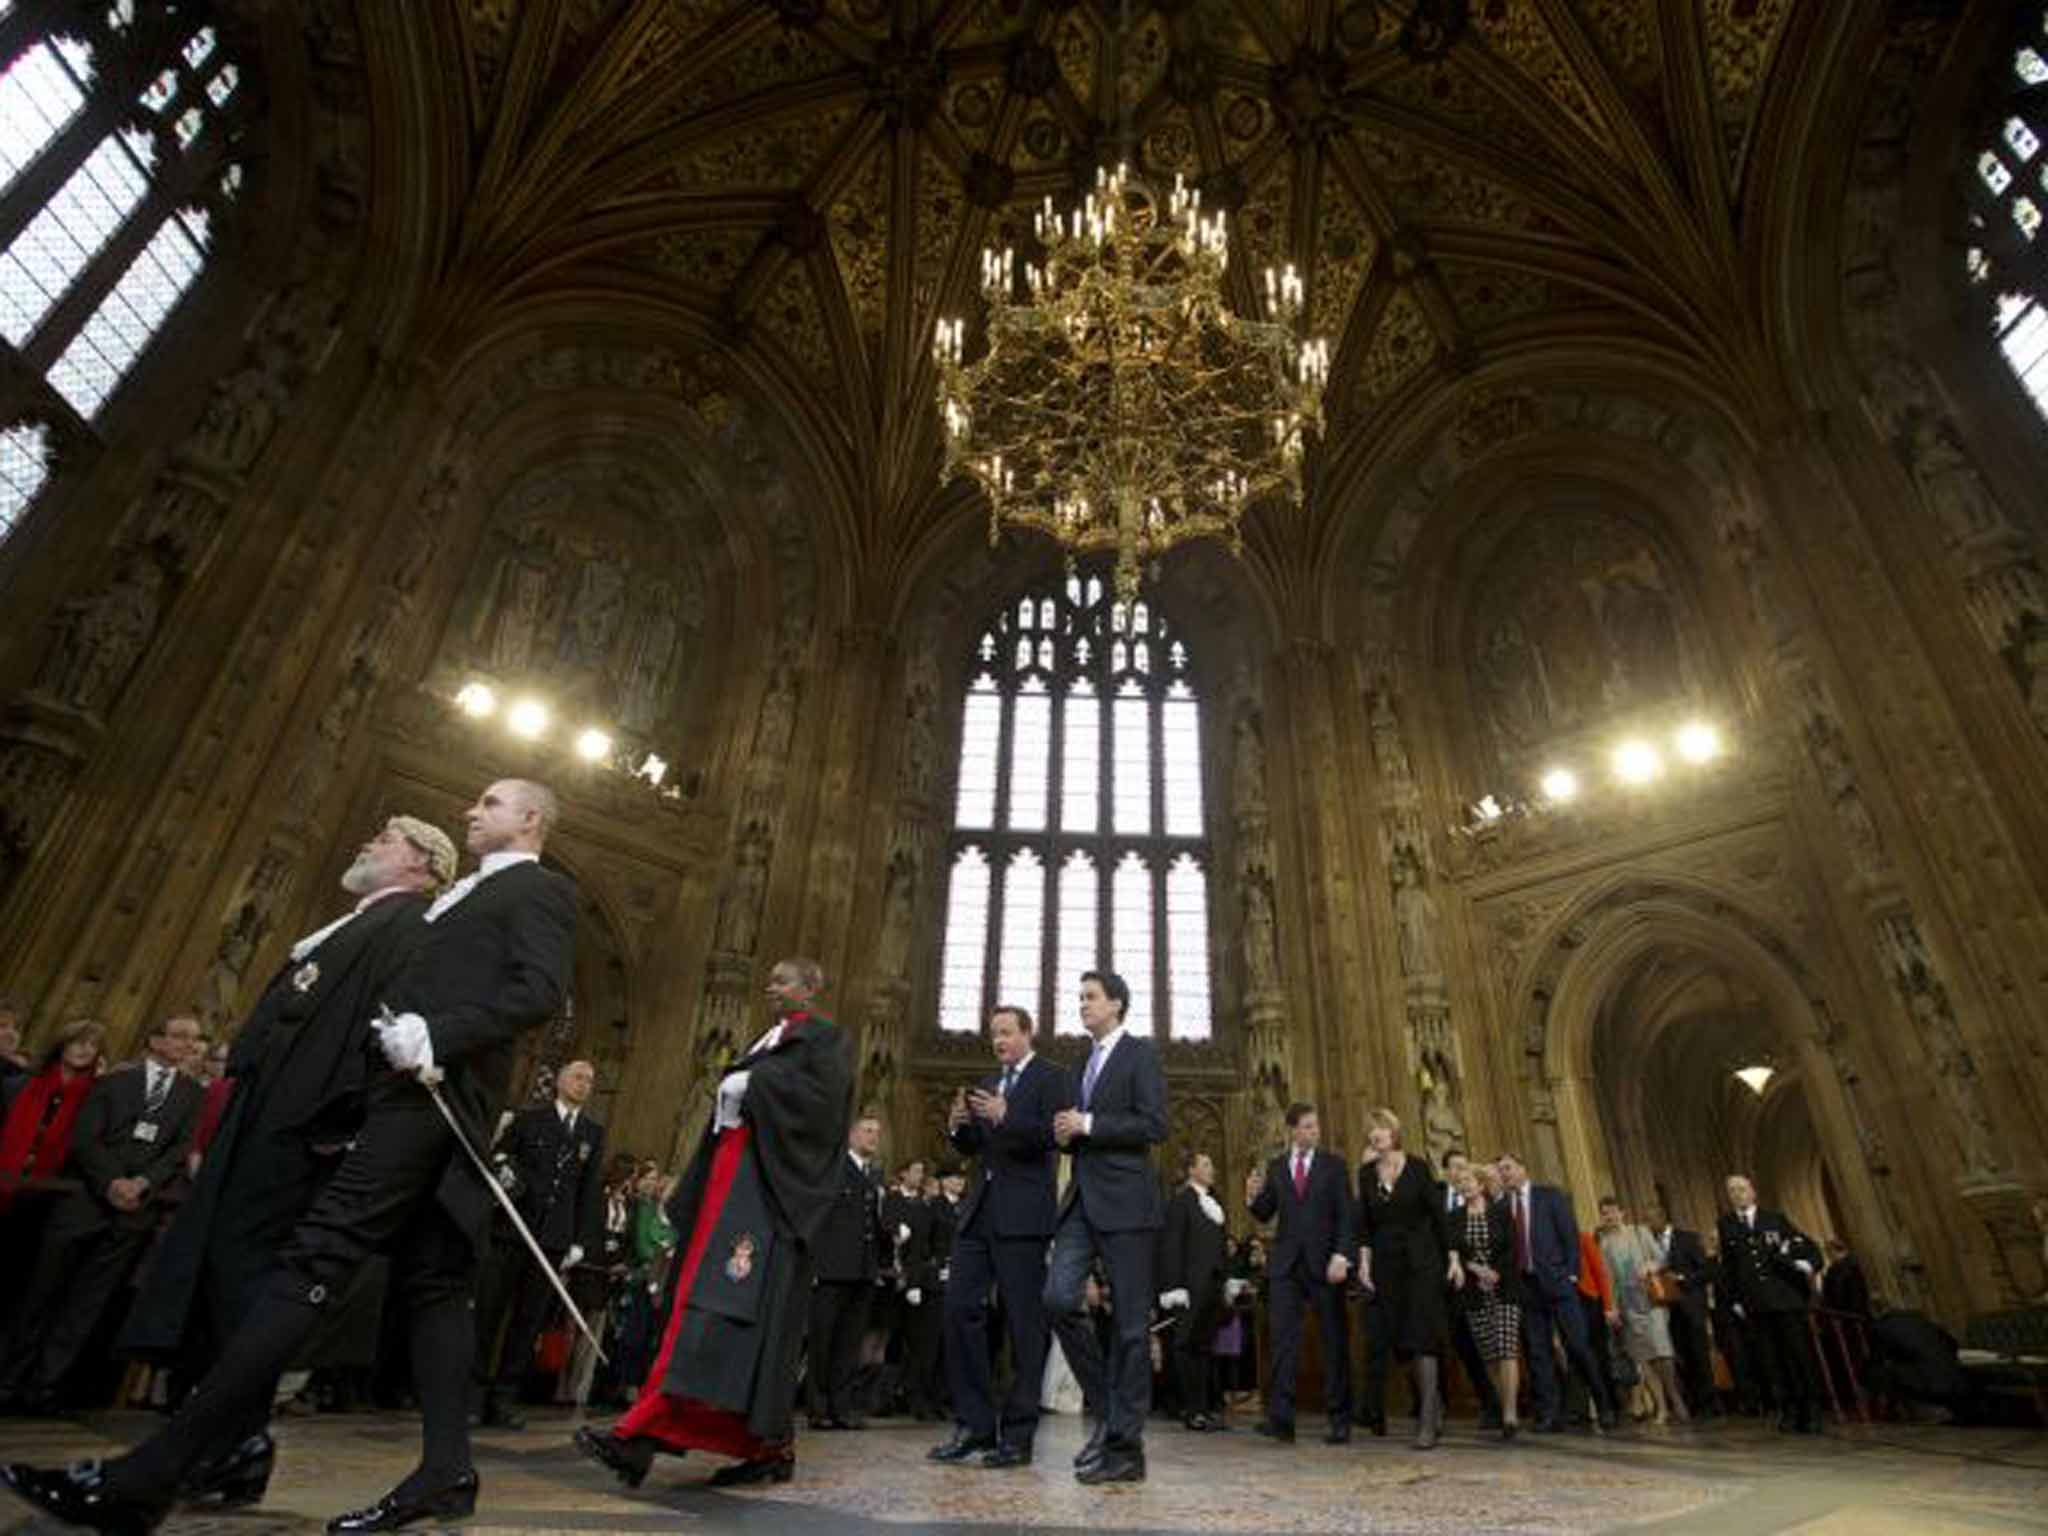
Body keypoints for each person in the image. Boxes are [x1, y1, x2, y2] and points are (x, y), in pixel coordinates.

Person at [4, 779, 578, 1535]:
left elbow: (540, 990)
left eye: (491, 803)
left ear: (531, 819)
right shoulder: (460, 897)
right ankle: (447, 1471)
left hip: (432, 1106)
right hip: (403, 1097)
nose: (472, 811)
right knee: (435, 1285)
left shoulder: (538, 889)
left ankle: (154, 1474)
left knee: (314, 1259)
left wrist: (442, 1033)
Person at [115, 813, 452, 1502]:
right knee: (218, 1272)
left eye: (385, 840)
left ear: (422, 865)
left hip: (299, 1129)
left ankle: (234, 1444)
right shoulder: (353, 923)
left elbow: (386, 1032)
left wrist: (336, 1122)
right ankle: (217, 1439)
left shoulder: (407, 927)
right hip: (263, 1116)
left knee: (247, 1280)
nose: (368, 841)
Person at [575, 956, 853, 1490]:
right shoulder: (764, 1042)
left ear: (812, 988)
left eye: (783, 980)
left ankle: (647, 1434)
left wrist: (757, 1087)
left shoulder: (825, 1040)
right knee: (696, 1303)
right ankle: (683, 1437)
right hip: (727, 1183)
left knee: (723, 1309)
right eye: (769, 979)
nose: (771, 987)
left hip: (764, 1193)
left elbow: (824, 1109)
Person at [1, 1014, 204, 1413]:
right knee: (42, 1294)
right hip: (85, 1203)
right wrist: (112, 1182)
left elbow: (179, 1150)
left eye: (194, 1040)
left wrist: (143, 1182)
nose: (186, 1045)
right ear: (156, 1040)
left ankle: (47, 1387)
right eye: (179, 1036)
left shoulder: (190, 1094)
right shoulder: (114, 1083)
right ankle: (9, 1381)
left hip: (134, 1212)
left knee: (85, 1306)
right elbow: (85, 1138)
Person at [930, 1003, 1072, 1469]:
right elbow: (978, 1147)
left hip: (1024, 1217)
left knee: (1024, 1325)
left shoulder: (1053, 1077)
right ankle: (973, 1425)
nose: (998, 1042)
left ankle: (1017, 1434)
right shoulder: (988, 1084)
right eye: (993, 1034)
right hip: (979, 1215)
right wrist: (959, 1130)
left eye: (1007, 1033)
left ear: (1028, 1033)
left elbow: (1055, 1137)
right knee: (958, 1310)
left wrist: (1007, 1114)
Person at [1045, 971, 1167, 1485]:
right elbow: (1076, 1134)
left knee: (1133, 1328)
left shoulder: (1140, 1054)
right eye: (1079, 998)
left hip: (1127, 1203)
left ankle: (1125, 1449)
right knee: (1055, 1298)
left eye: (1091, 997)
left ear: (1116, 1004)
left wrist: (1089, 1124)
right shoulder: (1080, 1063)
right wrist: (1066, 1131)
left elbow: (1154, 1124)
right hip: (1080, 1203)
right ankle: (1109, 1409)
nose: (1082, 1005)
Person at [473, 1058, 607, 1429]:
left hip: (553, 1240)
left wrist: (580, 1240)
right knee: (489, 1311)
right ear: (560, 1080)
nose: (584, 1084)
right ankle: (473, 1393)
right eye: (578, 1077)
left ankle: (503, 1397)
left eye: (590, 1080)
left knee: (528, 1321)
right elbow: (500, 1160)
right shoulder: (530, 1120)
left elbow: (589, 1191)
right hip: (514, 1232)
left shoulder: (592, 1134)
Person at [1245, 1101, 1354, 1444]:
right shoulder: (1277, 1166)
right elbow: (1266, 1213)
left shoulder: (1334, 1166)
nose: (1314, 1131)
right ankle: (1282, 1419)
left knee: (1333, 1341)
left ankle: (1340, 1419)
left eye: (1315, 1126)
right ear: (1292, 1130)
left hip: (1325, 1264)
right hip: (1286, 1266)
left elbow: (1347, 1216)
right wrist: (1252, 1198)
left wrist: (1342, 1255)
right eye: (1307, 1126)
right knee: (1282, 1342)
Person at [1356, 1109, 1457, 1449]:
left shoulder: (1417, 1167)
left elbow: (1438, 1214)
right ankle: (1434, 1403)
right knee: (1401, 1339)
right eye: (1370, 1130)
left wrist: (1453, 1256)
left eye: (1381, 1128)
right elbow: (1365, 1224)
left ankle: (1427, 1420)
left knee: (1423, 1334)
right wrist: (1365, 1263)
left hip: (1421, 1260)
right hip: (1386, 1263)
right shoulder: (1366, 1174)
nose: (1375, 1134)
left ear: (1394, 1132)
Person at [1496, 1152, 1615, 1434]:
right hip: (1527, 1286)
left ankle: (1605, 1404)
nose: (1505, 1174)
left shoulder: (1549, 1196)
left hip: (1559, 1283)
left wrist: (1571, 1274)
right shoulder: (1502, 1206)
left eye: (1509, 1168)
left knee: (1577, 1346)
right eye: (1501, 1171)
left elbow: (1570, 1237)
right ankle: (1550, 1413)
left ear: (1523, 1168)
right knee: (1538, 1352)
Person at [1716, 1173, 1823, 1433]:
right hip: (1756, 1303)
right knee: (1771, 1360)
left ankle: (1812, 1409)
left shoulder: (1775, 1219)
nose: (1738, 1193)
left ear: (1752, 1191)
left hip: (1785, 1299)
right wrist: (1735, 1299)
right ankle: (1788, 1409)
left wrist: (1805, 1267)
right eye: (1732, 1190)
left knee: (1798, 1355)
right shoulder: (1727, 1224)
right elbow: (1729, 1266)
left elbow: (1803, 1247)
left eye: (1742, 1188)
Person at [807, 1111, 885, 1429]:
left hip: (862, 1269)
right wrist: (812, 1264)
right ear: (852, 1134)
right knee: (823, 1340)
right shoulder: (834, 1169)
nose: (873, 1137)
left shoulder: (872, 1175)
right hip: (831, 1269)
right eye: (867, 1130)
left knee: (849, 1343)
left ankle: (842, 1406)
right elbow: (818, 1218)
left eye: (876, 1132)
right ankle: (818, 1407)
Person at [1442, 1163, 1522, 1440]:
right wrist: (1476, 1270)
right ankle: (1502, 1404)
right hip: (1474, 1291)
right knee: (1489, 1354)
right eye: (1460, 1182)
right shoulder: (1453, 1217)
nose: (1464, 1185)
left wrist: (1495, 1272)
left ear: (1480, 1184)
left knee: (1507, 1348)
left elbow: (1512, 1248)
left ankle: (1511, 1414)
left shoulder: (1501, 1214)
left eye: (1468, 1180)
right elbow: (1451, 1251)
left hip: (1503, 1288)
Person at [0, 1018, 105, 1216]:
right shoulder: (18, 1085)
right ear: (61, 1045)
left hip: (48, 1196)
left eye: (94, 1045)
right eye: (80, 1042)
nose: (87, 1049)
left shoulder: (95, 1098)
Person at [1598, 1196, 1688, 1425]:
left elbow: (1662, 1258)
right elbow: (1609, 1280)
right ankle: (1661, 1407)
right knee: (1643, 1358)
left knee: (1662, 1351)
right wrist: (1612, 1308)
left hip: (1650, 1299)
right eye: (1605, 1213)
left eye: (1612, 1212)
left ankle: (1675, 1396)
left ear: (1622, 1212)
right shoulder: (1605, 1244)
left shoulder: (1640, 1232)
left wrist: (1651, 1266)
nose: (1609, 1217)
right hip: (1629, 1305)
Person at [1159, 1149, 1230, 1431]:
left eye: (1211, 1163)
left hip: (1212, 1286)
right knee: (1185, 1345)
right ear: (1191, 1171)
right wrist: (1174, 1286)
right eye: (1206, 1164)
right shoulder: (1181, 1202)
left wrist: (1226, 1279)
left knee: (1204, 1347)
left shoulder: (1213, 1203)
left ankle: (1203, 1407)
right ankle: (1187, 1408)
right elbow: (1171, 1246)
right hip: (1189, 1287)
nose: (1212, 1169)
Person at [1436, 1149, 1504, 1429]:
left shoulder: (1484, 1202)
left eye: (1464, 1167)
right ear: (1444, 1172)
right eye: (1454, 1168)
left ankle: (1502, 1402)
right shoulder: (1437, 1198)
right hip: (1451, 1286)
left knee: (1495, 1344)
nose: (1459, 1173)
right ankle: (1488, 1401)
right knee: (1464, 1344)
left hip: (1488, 1283)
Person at [881, 1157, 939, 1420]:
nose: (920, 1174)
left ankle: (916, 1398)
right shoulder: (893, 1200)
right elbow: (889, 1230)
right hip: (893, 1280)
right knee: (891, 1340)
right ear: (902, 1174)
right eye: (915, 1170)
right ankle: (884, 1398)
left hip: (918, 1280)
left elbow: (924, 1246)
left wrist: (917, 1280)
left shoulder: (925, 1206)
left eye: (922, 1171)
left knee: (918, 1343)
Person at [1647, 1201, 1716, 1419]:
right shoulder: (1652, 1244)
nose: (1649, 1223)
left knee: (1699, 1354)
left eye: (1651, 1218)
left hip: (1692, 1304)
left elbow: (1705, 1271)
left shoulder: (1687, 1238)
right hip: (1670, 1309)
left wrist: (1682, 1278)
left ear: (1662, 1217)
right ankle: (1693, 1401)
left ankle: (1710, 1403)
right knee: (1682, 1356)